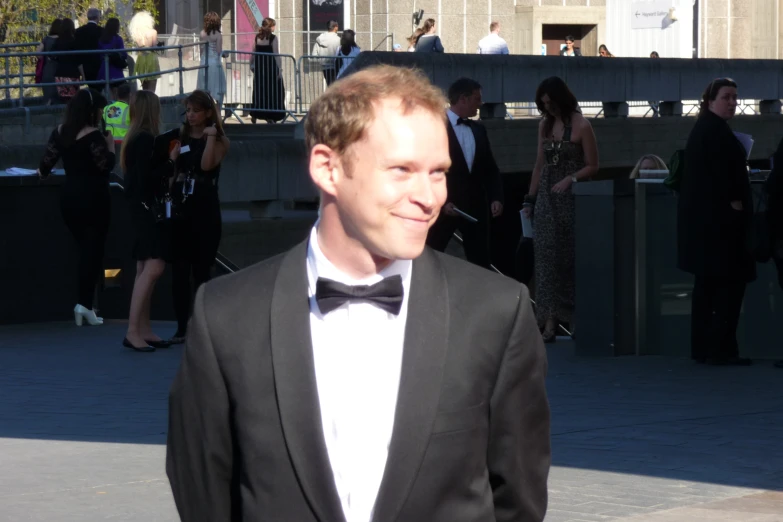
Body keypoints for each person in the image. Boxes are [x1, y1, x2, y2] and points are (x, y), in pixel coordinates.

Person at [166, 64, 550, 522]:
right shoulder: (226, 317)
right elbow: (203, 496)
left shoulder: (495, 313)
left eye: (437, 172)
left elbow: (518, 499)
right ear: (327, 167)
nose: (429, 197)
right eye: (402, 170)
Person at [678, 78, 755, 366]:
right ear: (710, 101)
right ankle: (720, 348)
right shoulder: (715, 132)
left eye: (735, 97)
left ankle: (705, 347)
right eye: (727, 97)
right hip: (721, 229)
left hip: (706, 229)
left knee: (707, 289)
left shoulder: (706, 129)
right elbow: (722, 175)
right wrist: (735, 201)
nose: (733, 102)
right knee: (726, 289)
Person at [523, 76, 598, 342]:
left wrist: (571, 178)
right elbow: (539, 165)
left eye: (551, 103)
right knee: (545, 260)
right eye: (543, 104)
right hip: (546, 199)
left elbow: (593, 164)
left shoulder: (582, 125)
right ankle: (549, 321)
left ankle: (576, 318)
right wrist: (529, 200)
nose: (548, 109)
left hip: (571, 199)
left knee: (569, 259)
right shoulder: (544, 126)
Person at [36, 89, 115, 326]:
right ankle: (84, 304)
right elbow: (105, 166)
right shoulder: (94, 137)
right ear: (92, 111)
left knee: (83, 249)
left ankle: (85, 305)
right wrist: (110, 146)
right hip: (94, 198)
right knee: (93, 251)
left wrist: (43, 172)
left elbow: (44, 167)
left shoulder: (61, 133)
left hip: (70, 198)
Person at [168, 90, 230, 344]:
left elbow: (206, 166)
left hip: (205, 209)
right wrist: (171, 161)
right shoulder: (178, 137)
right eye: (188, 111)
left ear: (207, 113)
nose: (191, 115)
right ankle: (181, 327)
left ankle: (203, 327)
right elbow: (170, 175)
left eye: (195, 110)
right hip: (181, 208)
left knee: (202, 270)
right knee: (179, 271)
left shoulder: (220, 141)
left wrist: (211, 138)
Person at [121, 91, 178, 352]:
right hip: (146, 208)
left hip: (137, 207)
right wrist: (170, 162)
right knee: (154, 266)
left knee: (144, 266)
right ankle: (134, 330)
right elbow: (148, 179)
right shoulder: (145, 140)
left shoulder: (134, 139)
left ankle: (142, 328)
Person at [426, 78, 503, 269]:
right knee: (429, 259)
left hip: (475, 208)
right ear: (463, 99)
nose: (480, 103)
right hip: (444, 208)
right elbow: (426, 170)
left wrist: (496, 197)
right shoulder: (434, 127)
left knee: (481, 263)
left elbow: (490, 168)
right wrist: (441, 202)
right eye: (477, 99)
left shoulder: (478, 129)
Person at [249, 17, 286, 123]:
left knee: (259, 90)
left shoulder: (257, 38)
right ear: (270, 27)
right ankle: (271, 115)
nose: (275, 27)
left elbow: (253, 53)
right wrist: (280, 68)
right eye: (274, 25)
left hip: (260, 68)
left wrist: (251, 65)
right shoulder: (273, 38)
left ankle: (256, 113)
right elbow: (276, 54)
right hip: (271, 68)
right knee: (273, 91)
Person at [197, 12, 227, 110]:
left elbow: (201, 50)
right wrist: (225, 53)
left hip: (204, 63)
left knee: (204, 91)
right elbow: (218, 51)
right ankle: (217, 115)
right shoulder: (218, 35)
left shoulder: (202, 33)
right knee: (218, 91)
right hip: (215, 64)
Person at [51, 18, 82, 104]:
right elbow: (79, 61)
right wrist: (83, 75)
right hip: (73, 73)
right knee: (74, 99)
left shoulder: (57, 41)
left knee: (63, 98)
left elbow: (51, 55)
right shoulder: (75, 41)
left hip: (60, 73)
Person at [129, 11, 161, 92]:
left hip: (141, 59)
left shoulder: (137, 34)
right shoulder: (153, 32)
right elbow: (154, 47)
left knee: (144, 87)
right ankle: (151, 103)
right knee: (152, 87)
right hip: (151, 59)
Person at [96, 17, 127, 99]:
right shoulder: (118, 39)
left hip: (103, 70)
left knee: (107, 94)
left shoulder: (101, 40)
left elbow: (99, 55)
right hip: (115, 71)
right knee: (117, 95)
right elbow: (124, 54)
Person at [75, 8, 103, 89]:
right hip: (99, 65)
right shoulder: (101, 31)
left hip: (83, 66)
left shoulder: (78, 31)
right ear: (98, 17)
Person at [36, 19, 61, 103]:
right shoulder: (62, 40)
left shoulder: (46, 39)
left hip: (47, 70)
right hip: (60, 70)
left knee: (48, 96)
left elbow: (38, 54)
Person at [312, 20, 340, 86]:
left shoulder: (320, 39)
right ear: (335, 27)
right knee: (337, 88)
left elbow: (314, 54)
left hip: (325, 67)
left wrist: (322, 60)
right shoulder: (338, 39)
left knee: (330, 86)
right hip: (336, 67)